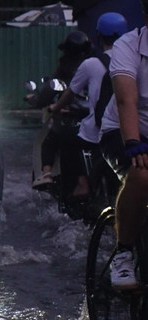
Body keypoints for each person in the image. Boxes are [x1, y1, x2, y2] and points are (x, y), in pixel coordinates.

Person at [49, 14, 127, 204]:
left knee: (65, 137)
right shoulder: (133, 60)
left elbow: (70, 93)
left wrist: (56, 107)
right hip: (131, 130)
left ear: (99, 36)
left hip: (99, 131)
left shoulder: (91, 63)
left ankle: (81, 183)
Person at [100, 0, 148, 289]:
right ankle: (124, 252)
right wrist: (133, 143)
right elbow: (125, 99)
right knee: (142, 177)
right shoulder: (129, 45)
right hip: (123, 131)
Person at [34, 30, 94, 190]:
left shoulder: (64, 72)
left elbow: (47, 96)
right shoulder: (98, 66)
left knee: (50, 141)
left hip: (72, 120)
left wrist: (51, 105)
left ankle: (47, 173)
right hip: (97, 120)